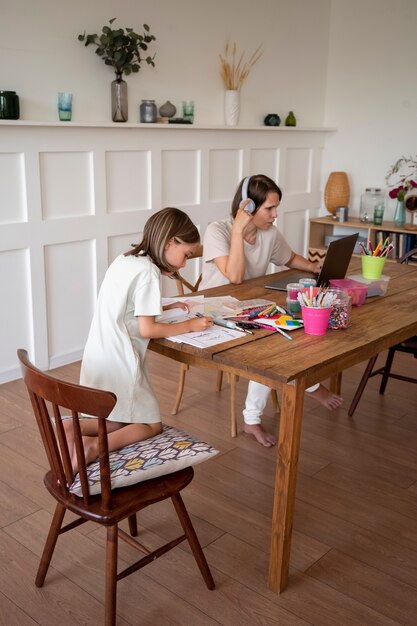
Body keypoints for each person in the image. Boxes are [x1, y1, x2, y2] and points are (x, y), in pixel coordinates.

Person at [64, 207, 213, 472]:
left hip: (100, 353)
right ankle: (93, 447)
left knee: (123, 417)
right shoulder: (149, 273)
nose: (184, 263)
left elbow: (127, 306)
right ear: (170, 242)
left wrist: (166, 307)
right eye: (186, 255)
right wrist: (190, 325)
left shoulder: (126, 260)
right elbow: (147, 329)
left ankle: (74, 427)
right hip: (122, 360)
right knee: (150, 424)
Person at [200, 174, 343, 447]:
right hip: (215, 312)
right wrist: (239, 232)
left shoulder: (269, 233)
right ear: (247, 207)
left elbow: (288, 258)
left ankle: (299, 391)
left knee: (297, 323)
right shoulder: (218, 231)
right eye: (269, 208)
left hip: (249, 307)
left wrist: (314, 267)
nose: (275, 214)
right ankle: (264, 413)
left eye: (276, 207)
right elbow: (235, 277)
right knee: (275, 339)